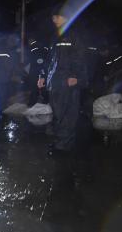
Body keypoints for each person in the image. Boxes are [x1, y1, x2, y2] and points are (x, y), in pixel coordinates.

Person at [36, 12, 90, 154]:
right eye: (53, 16)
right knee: (58, 113)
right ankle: (60, 141)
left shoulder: (75, 34)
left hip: (68, 81)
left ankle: (63, 146)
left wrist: (77, 77)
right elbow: (48, 60)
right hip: (55, 81)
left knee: (68, 114)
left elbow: (82, 58)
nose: (54, 19)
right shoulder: (55, 37)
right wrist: (42, 76)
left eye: (57, 16)